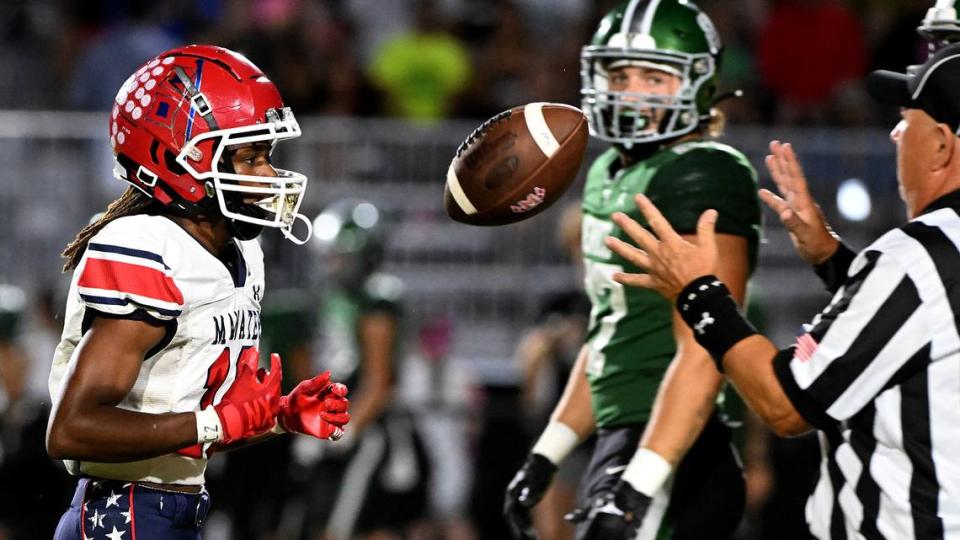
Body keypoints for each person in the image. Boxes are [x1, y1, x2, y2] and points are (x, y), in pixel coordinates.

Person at [605, 41, 960, 539]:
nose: (896, 132)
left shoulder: (918, 258)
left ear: (943, 144)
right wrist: (833, 260)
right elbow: (931, 331)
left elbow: (786, 405)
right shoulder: (934, 263)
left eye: (907, 117)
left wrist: (697, 293)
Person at [47, 44, 350, 540]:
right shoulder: (147, 248)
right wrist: (215, 424)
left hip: (174, 511)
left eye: (266, 156)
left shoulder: (241, 254)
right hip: (119, 516)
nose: (269, 175)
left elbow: (185, 432)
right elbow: (72, 429)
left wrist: (275, 417)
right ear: (180, 161)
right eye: (249, 157)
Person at [503, 1, 761, 538]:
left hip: (674, 450)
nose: (631, 91)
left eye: (654, 76)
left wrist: (638, 484)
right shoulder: (606, 171)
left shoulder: (700, 171)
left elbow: (704, 351)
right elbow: (608, 334)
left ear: (698, 85)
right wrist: (548, 453)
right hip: (623, 441)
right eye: (620, 74)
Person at [288, 198, 429, 540]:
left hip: (370, 431)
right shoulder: (336, 296)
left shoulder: (377, 298)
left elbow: (379, 382)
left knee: (342, 528)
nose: (331, 263)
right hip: (343, 422)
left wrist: (342, 431)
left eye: (339, 255)